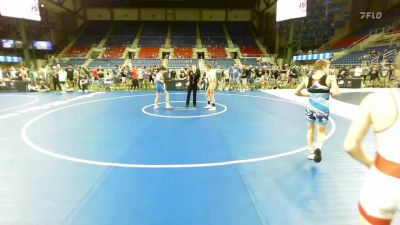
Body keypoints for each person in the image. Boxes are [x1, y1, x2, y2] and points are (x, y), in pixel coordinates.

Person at [344, 54, 400, 225]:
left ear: (396, 71)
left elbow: (350, 145)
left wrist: (370, 163)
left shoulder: (378, 100)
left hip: (385, 180)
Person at [294, 59, 340, 162]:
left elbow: (296, 92)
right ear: (324, 67)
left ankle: (311, 153)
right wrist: (328, 93)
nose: (329, 68)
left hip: (310, 107)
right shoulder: (330, 78)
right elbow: (337, 93)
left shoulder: (307, 79)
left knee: (310, 129)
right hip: (322, 108)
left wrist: (310, 94)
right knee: (321, 131)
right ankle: (318, 148)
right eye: (328, 66)